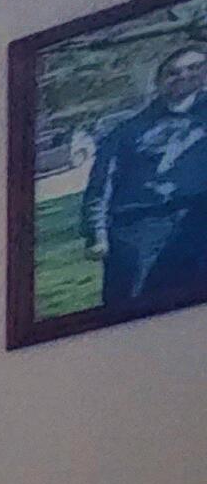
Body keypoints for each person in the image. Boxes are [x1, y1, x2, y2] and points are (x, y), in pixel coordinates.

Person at [81, 42, 207, 309]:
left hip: (196, 221)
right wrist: (96, 234)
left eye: (195, 68)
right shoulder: (127, 130)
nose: (184, 76)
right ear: (160, 81)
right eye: (173, 72)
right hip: (137, 229)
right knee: (131, 308)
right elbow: (102, 184)